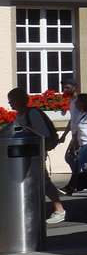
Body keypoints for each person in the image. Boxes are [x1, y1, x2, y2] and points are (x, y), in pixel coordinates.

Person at [5, 88, 68, 224]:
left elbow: (43, 134)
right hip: (25, 155)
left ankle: (59, 210)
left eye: (11, 100)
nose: (10, 103)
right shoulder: (20, 116)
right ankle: (31, 211)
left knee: (42, 181)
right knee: (31, 182)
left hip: (35, 153)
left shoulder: (32, 113)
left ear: (19, 100)